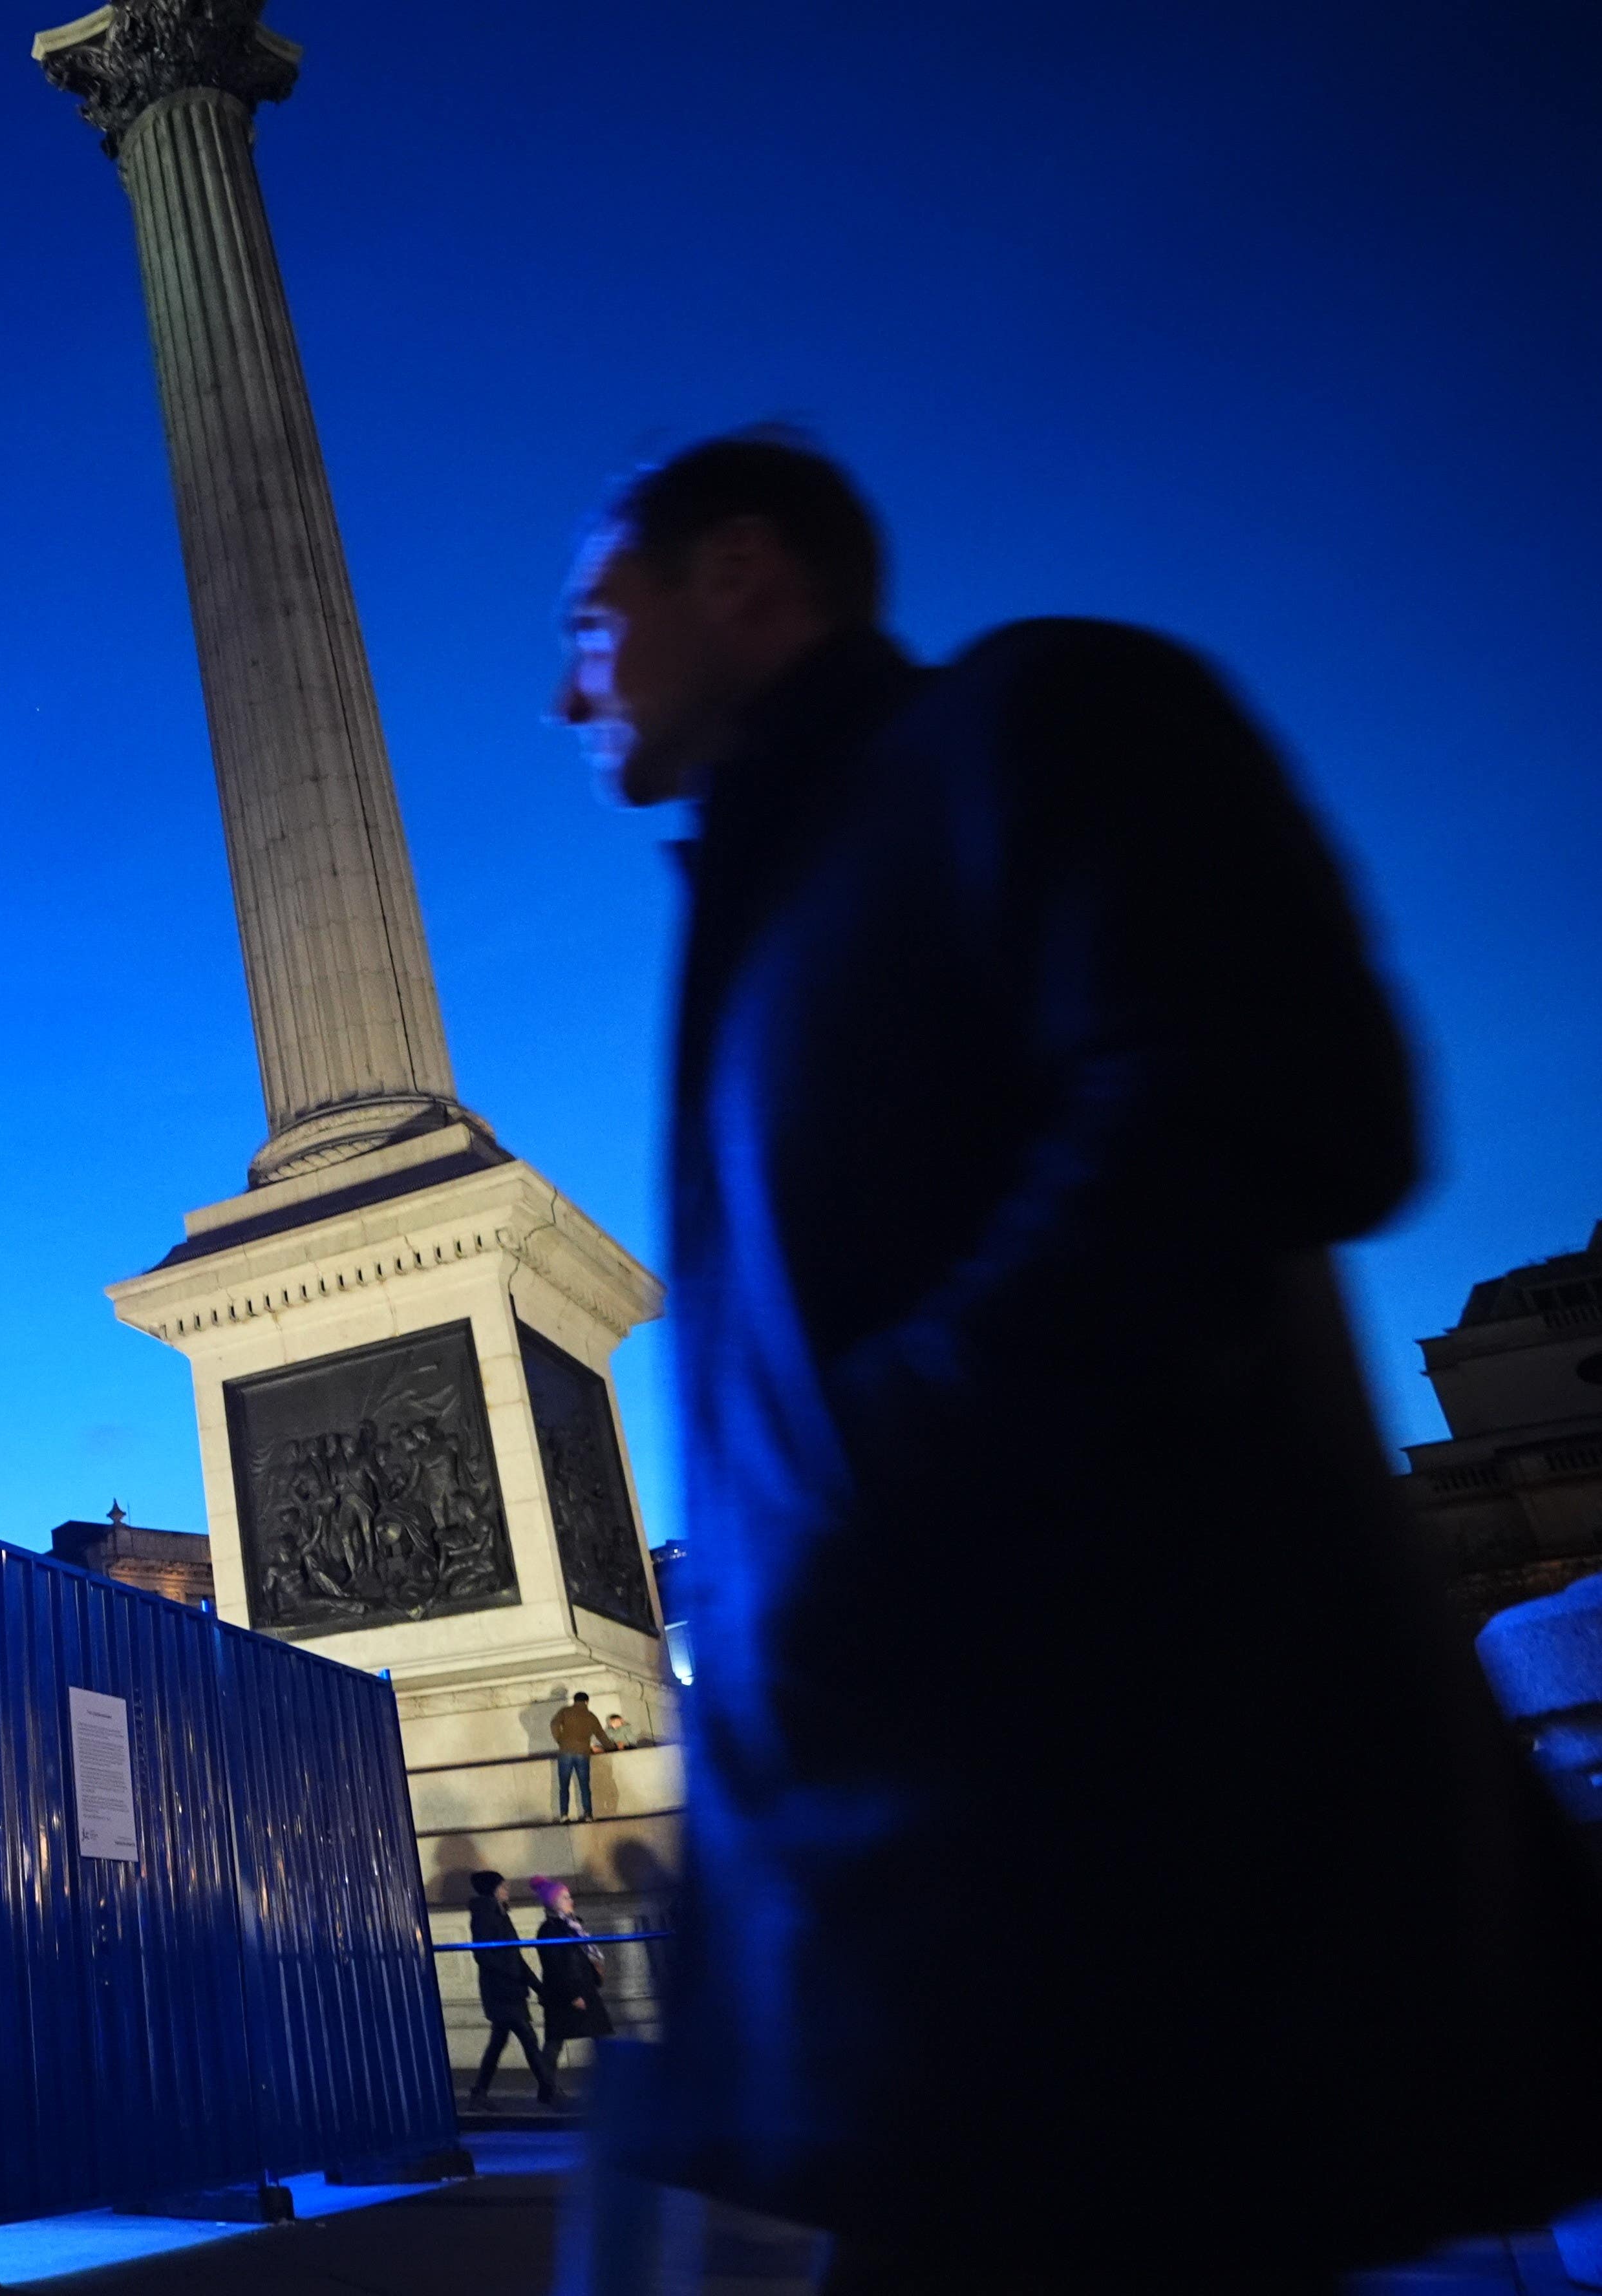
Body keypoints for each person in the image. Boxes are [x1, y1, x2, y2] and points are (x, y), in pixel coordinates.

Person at [555, 429, 1602, 2286]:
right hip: (931, 1935)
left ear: (738, 574)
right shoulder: (760, 922)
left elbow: (1284, 1101)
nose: (572, 681)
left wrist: (896, 1448)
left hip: (1143, 1876)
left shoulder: (1046, 719)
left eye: (597, 616)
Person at [464, 1870, 560, 2110]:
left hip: (508, 1989)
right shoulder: (486, 1915)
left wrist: (535, 1984)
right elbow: (485, 1955)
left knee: (498, 2042)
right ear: (495, 1890)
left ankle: (480, 2092)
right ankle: (548, 2089)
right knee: (528, 2037)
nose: (507, 1891)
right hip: (502, 1991)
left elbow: (513, 1955)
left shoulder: (498, 1913)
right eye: (504, 1887)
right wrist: (517, 1977)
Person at [526, 1877, 612, 2098]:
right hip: (570, 1993)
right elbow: (557, 1965)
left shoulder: (571, 1926)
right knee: (557, 2042)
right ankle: (547, 2090)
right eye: (565, 1897)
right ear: (554, 1903)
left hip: (581, 1989)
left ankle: (549, 2090)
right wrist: (574, 1993)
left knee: (586, 2037)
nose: (570, 1900)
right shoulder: (552, 1930)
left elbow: (579, 1957)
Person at [549, 1691, 606, 1821]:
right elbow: (601, 1735)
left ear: (575, 1701)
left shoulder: (565, 1711)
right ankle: (588, 1815)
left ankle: (564, 1815)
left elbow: (554, 1724)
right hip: (582, 1753)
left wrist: (560, 1740)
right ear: (587, 1702)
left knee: (564, 1786)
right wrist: (612, 1747)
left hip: (565, 1752)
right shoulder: (590, 1716)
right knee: (584, 1785)